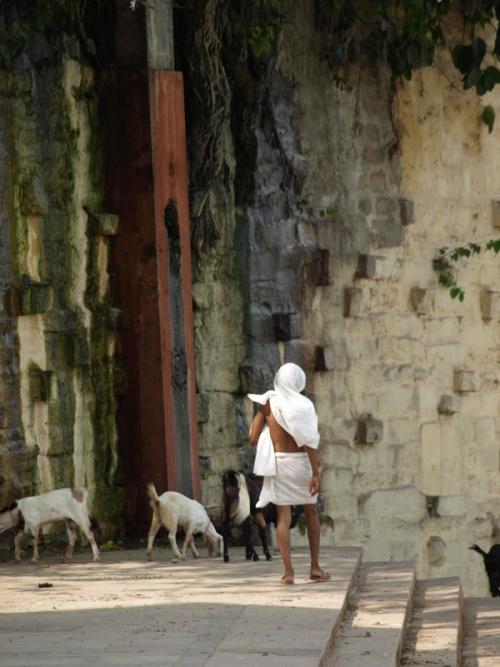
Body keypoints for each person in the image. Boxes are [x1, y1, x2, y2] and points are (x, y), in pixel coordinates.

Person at [247, 362, 330, 585]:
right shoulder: (305, 406)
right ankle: (315, 568)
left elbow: (252, 437)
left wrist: (265, 420)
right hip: (302, 463)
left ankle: (288, 572)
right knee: (311, 514)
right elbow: (310, 442)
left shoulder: (267, 404)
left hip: (279, 465)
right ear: (299, 380)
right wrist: (315, 473)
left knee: (283, 517)